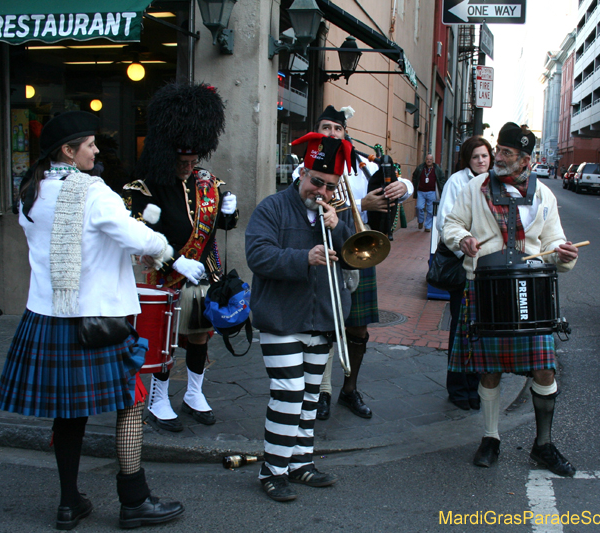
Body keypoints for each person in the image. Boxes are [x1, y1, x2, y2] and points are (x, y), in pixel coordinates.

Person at [0, 111, 184, 530]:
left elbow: (82, 241)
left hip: (47, 316)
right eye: (90, 144)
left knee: (68, 412)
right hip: (99, 319)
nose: (97, 151)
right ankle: (134, 501)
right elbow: (136, 237)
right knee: (132, 403)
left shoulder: (32, 190)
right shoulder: (95, 193)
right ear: (68, 150)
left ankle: (68, 503)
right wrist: (163, 249)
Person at [442, 122, 579, 477]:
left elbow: (554, 245)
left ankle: (543, 445)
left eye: (507, 153)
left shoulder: (544, 195)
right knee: (489, 370)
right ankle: (491, 438)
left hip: (530, 290)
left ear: (526, 161)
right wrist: (462, 241)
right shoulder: (476, 188)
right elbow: (451, 225)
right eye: (498, 150)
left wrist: (564, 256)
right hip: (485, 285)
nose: (498, 157)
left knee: (544, 369)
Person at [246, 132, 356, 502]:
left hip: (322, 317)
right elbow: (258, 256)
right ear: (302, 172)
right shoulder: (272, 208)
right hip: (281, 317)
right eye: (315, 182)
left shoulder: (334, 215)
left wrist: (338, 227)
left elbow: (356, 255)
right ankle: (273, 469)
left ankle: (300, 462)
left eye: (329, 186)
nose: (320, 191)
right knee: (289, 392)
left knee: (310, 396)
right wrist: (302, 258)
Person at [125, 82, 238, 432]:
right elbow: (136, 237)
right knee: (164, 341)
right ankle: (159, 399)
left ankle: (193, 393)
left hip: (202, 275)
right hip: (164, 277)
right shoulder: (143, 188)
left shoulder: (208, 183)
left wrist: (231, 212)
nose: (189, 167)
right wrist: (174, 260)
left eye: (193, 161)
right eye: (182, 161)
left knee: (200, 336)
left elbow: (223, 223)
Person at [293, 105, 413, 421]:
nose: (332, 133)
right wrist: (361, 203)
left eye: (337, 128)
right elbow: (306, 201)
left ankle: (350, 389)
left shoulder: (361, 166)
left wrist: (404, 187)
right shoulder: (305, 166)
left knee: (357, 329)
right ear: (317, 132)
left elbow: (399, 186)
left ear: (345, 133)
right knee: (325, 326)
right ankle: (321, 391)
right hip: (323, 250)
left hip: (357, 250)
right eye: (326, 127)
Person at [436, 136, 493, 411]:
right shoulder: (457, 182)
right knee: (461, 329)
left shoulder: (495, 183)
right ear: (467, 160)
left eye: (485, 156)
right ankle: (459, 389)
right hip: (463, 265)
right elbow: (445, 221)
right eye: (475, 157)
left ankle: (477, 387)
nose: (481, 161)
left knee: (481, 329)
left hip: (488, 268)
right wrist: (465, 250)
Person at [412, 154, 446, 232]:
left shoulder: (437, 169)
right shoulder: (420, 168)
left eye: (430, 159)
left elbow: (442, 178)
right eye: (427, 159)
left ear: (432, 160)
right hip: (421, 192)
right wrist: (415, 184)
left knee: (430, 210)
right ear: (425, 160)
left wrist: (441, 186)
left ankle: (427, 226)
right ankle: (420, 221)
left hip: (432, 192)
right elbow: (414, 176)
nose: (429, 160)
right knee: (419, 207)